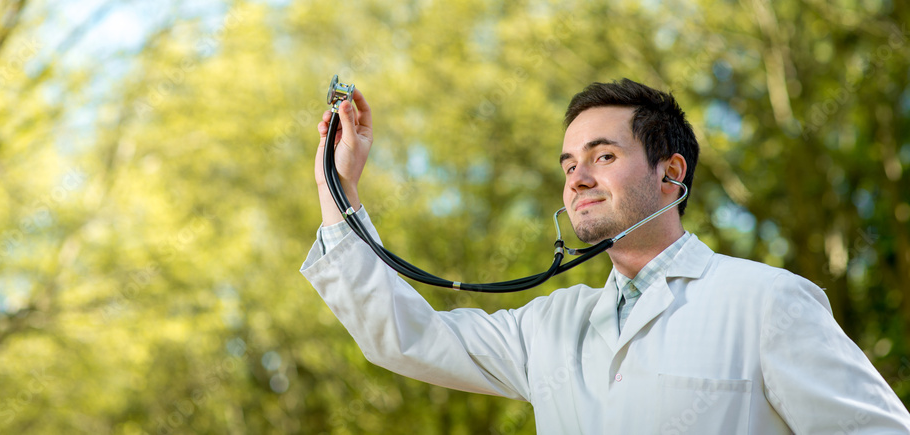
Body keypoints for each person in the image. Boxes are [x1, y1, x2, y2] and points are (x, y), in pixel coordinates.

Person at [301, 79, 910, 433]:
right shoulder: (549, 328)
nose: (578, 178)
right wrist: (339, 185)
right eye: (569, 164)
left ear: (672, 173)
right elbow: (405, 339)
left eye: (603, 156)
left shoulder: (767, 302)